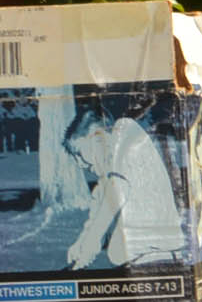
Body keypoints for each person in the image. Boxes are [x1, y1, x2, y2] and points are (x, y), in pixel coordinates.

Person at [63, 109, 186, 268]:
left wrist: (89, 246)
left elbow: (114, 197)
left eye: (79, 154)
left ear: (97, 137)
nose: (80, 164)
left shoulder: (126, 134)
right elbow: (97, 214)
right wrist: (80, 246)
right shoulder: (108, 176)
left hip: (158, 262)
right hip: (138, 264)